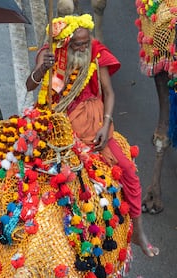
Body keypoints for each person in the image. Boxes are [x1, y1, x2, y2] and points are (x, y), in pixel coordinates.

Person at [26, 14, 159, 257]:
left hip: (96, 124)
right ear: (67, 44)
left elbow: (109, 93)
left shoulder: (95, 53)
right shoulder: (51, 54)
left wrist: (105, 124)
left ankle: (139, 231)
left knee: (128, 171)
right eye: (78, 45)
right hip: (59, 124)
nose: (83, 48)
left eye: (86, 43)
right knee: (33, 174)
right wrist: (41, 69)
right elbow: (30, 86)